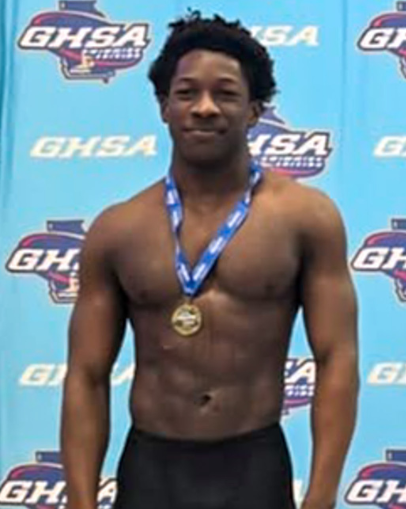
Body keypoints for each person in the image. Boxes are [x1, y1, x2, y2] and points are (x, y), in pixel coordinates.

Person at [60, 13, 358, 509]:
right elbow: (86, 375)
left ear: (255, 110)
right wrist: (80, 502)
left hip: (253, 466)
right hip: (152, 470)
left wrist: (322, 495)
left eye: (225, 93)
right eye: (185, 93)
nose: (204, 108)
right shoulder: (118, 230)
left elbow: (337, 360)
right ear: (163, 107)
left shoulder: (307, 219)